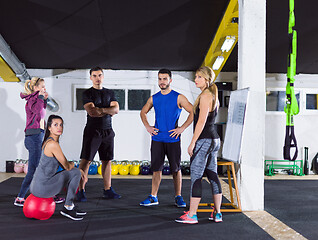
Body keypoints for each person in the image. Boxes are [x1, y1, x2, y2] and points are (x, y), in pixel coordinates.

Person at [175, 66, 223, 224]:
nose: (196, 79)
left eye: (199, 77)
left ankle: (192, 215)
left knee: (196, 177)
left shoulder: (205, 96)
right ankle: (217, 213)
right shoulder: (213, 95)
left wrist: (193, 142)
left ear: (207, 79)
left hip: (204, 140)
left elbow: (201, 121)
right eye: (196, 77)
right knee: (212, 175)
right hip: (214, 140)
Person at [139, 69, 193, 207]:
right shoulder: (154, 98)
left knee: (176, 169)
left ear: (170, 80)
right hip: (157, 139)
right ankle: (153, 197)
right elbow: (143, 112)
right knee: (156, 169)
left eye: (164, 79)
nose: (162, 82)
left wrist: (182, 128)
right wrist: (148, 127)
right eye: (160, 79)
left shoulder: (179, 97)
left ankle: (178, 196)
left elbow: (193, 111)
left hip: (173, 139)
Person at [14, 77, 64, 206]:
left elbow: (40, 113)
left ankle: (50, 194)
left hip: (39, 136)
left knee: (46, 167)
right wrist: (42, 98)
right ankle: (20, 197)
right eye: (42, 86)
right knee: (34, 170)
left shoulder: (37, 99)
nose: (44, 88)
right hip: (34, 138)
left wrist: (44, 99)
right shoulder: (32, 99)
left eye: (44, 86)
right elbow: (39, 113)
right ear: (35, 88)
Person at [30, 115, 87, 221]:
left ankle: (71, 205)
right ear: (49, 128)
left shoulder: (49, 141)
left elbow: (63, 165)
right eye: (55, 125)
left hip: (37, 186)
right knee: (75, 173)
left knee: (75, 172)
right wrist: (76, 167)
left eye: (61, 125)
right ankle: (68, 207)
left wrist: (75, 168)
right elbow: (67, 166)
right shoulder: (52, 144)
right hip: (42, 188)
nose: (59, 127)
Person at [76, 67, 120, 202]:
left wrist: (100, 109)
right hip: (92, 131)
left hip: (108, 130)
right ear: (91, 78)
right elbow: (92, 112)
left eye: (100, 75)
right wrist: (107, 110)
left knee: (107, 161)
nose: (97, 78)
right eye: (94, 75)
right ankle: (80, 190)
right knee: (86, 161)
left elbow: (116, 109)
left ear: (103, 76)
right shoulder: (87, 93)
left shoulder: (110, 92)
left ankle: (108, 190)